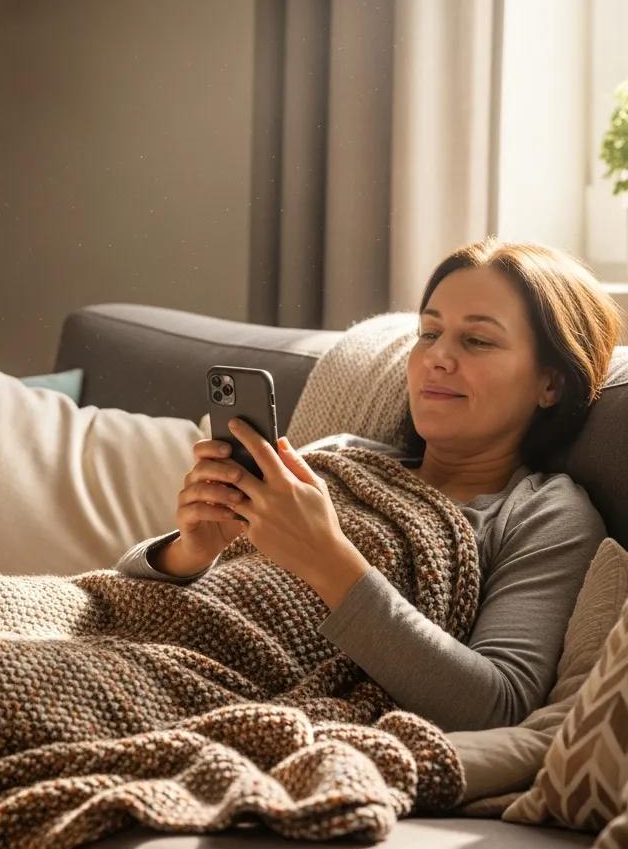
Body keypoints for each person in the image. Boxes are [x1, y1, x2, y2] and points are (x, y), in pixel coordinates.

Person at [117, 238, 622, 732]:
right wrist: (189, 551)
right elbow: (127, 599)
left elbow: (499, 706)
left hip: (212, 691)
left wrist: (326, 558)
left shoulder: (545, 514)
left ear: (550, 383)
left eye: (477, 340)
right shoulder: (339, 454)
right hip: (129, 640)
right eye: (428, 333)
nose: (436, 358)